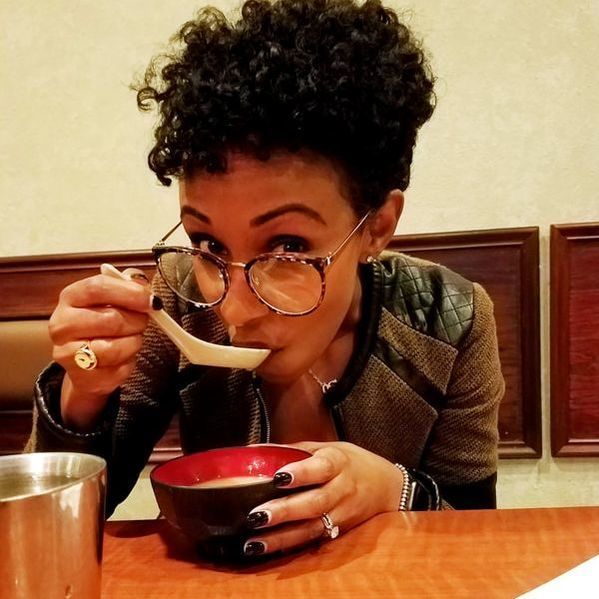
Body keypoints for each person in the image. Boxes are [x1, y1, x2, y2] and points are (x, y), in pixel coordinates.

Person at [26, 0, 504, 557]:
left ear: (376, 227)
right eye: (208, 244)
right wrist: (82, 396)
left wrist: (394, 491)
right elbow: (52, 525)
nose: (231, 310)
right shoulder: (177, 301)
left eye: (288, 248)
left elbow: (476, 536)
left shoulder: (451, 320)